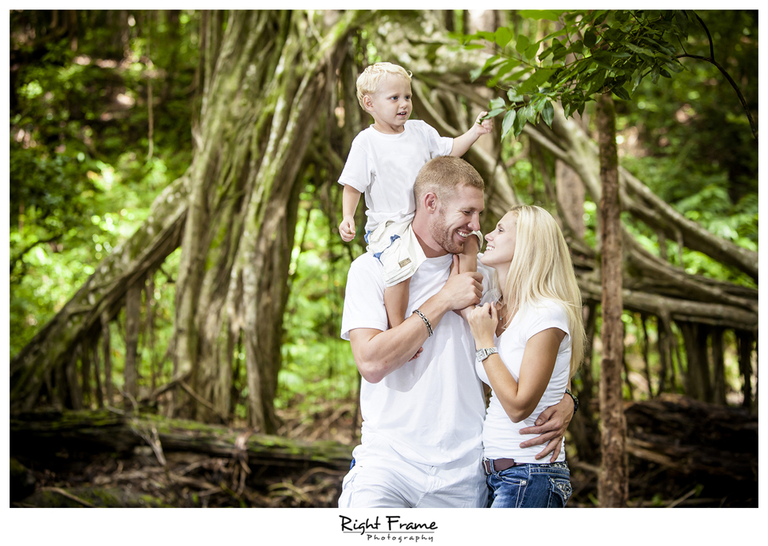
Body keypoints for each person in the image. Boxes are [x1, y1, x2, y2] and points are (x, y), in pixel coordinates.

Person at [338, 157, 575, 508]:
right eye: (467, 213)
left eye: (480, 214)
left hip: (465, 474)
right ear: (431, 202)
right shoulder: (372, 269)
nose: (475, 226)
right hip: (388, 467)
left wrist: (568, 398)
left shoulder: (490, 274)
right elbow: (371, 363)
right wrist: (444, 299)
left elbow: (542, 335)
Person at [337, 61, 493, 330]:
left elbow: (451, 149)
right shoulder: (367, 142)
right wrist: (347, 216)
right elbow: (353, 185)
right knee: (399, 267)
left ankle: (466, 303)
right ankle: (398, 326)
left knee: (470, 240)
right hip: (392, 224)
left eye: (407, 96)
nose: (404, 104)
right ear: (369, 103)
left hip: (427, 217)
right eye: (394, 98)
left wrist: (475, 132)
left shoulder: (420, 131)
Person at [467, 205, 585, 508]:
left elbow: (519, 406)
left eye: (501, 230)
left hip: (531, 473)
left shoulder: (547, 313)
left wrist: (484, 341)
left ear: (528, 244)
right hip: (493, 475)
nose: (489, 235)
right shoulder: (494, 306)